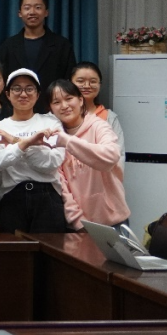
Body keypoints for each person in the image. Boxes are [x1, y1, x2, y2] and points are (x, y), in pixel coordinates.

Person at [0, 68, 66, 233]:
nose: (23, 94)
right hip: (11, 197)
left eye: (29, 89)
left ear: (37, 94)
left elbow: (51, 162)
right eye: (17, 88)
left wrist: (14, 141)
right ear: (7, 94)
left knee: (50, 249)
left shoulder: (51, 122)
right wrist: (27, 145)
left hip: (48, 197)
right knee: (14, 249)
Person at [47, 79, 130, 229]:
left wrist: (68, 141)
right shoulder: (54, 139)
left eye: (69, 98)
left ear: (80, 100)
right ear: (50, 108)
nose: (64, 106)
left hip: (115, 220)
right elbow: (62, 187)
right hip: (80, 225)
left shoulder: (99, 126)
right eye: (56, 102)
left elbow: (110, 156)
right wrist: (78, 222)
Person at [0, 0, 76, 112]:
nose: (32, 12)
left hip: (52, 111)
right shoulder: (8, 46)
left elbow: (68, 81)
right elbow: (1, 81)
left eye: (38, 7)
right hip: (16, 112)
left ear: (46, 12)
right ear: (19, 13)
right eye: (27, 8)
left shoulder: (62, 45)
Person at [71, 62, 125, 169]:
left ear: (100, 85)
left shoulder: (109, 117)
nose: (87, 86)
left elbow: (119, 156)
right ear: (70, 83)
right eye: (80, 81)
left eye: (93, 81)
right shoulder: (62, 115)